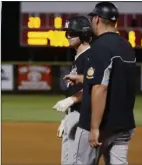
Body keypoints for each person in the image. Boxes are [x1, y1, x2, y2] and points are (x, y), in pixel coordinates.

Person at [64, 2, 136, 165]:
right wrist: (84, 78)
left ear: (97, 19)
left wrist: (94, 127)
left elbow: (100, 87)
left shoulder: (99, 47)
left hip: (100, 124)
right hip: (124, 125)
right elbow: (114, 79)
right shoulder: (127, 46)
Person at [52, 15, 92, 165]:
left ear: (83, 34)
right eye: (67, 32)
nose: (68, 35)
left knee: (76, 162)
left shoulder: (90, 57)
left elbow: (94, 86)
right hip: (75, 114)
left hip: (82, 117)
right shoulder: (79, 57)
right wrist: (67, 118)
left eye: (72, 32)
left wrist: (71, 100)